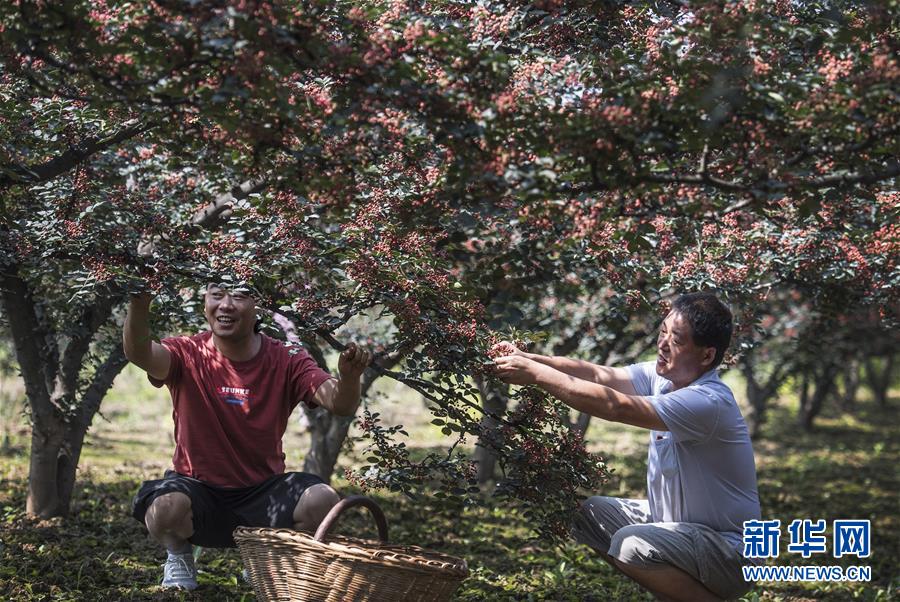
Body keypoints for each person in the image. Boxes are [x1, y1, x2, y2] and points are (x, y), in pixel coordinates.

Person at [492, 292, 759, 602]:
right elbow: (598, 375)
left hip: (731, 555)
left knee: (632, 545)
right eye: (662, 332)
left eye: (677, 340)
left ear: (706, 356)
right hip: (682, 532)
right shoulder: (666, 378)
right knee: (592, 514)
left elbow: (616, 407)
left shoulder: (707, 401)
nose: (662, 344)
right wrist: (529, 359)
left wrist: (537, 376)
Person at [123, 284, 371, 590]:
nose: (225, 305)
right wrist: (139, 301)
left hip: (263, 497)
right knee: (164, 506)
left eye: (239, 295)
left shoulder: (287, 358)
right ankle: (178, 555)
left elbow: (340, 403)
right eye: (217, 294)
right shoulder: (187, 352)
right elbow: (139, 353)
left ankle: (266, 560)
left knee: (323, 501)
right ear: (205, 303)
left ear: (259, 305)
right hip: (199, 491)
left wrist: (349, 378)